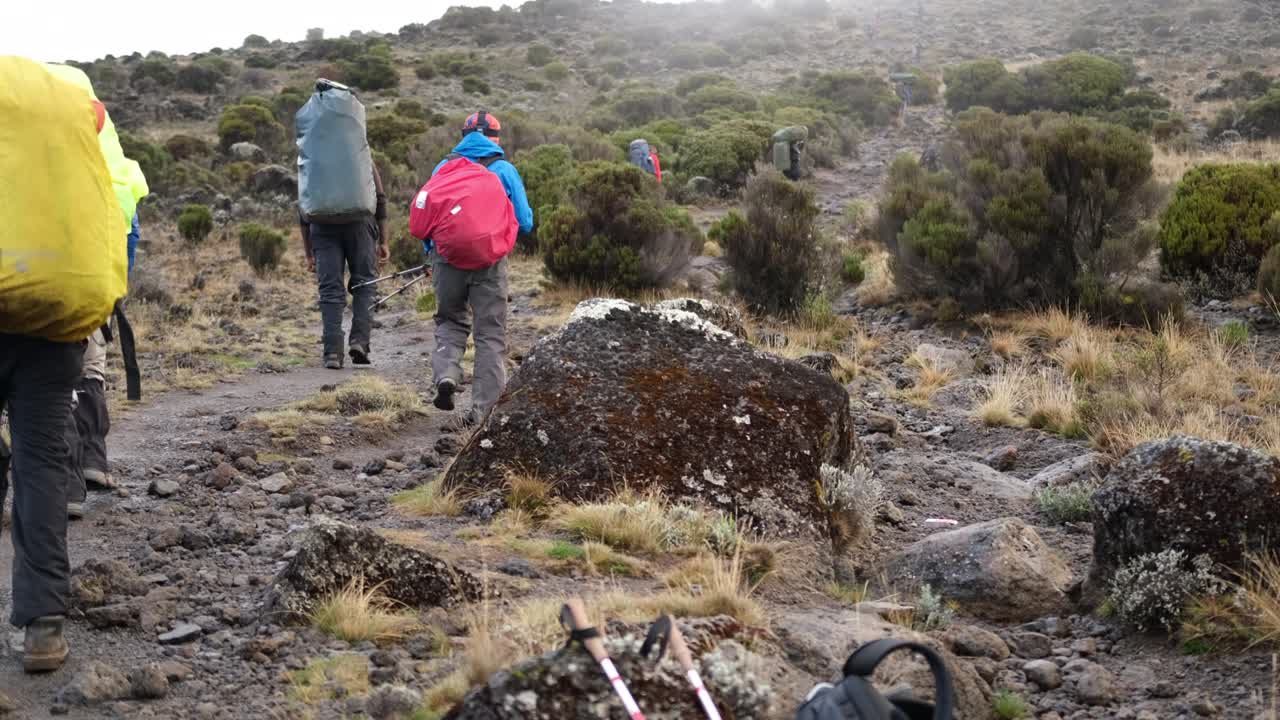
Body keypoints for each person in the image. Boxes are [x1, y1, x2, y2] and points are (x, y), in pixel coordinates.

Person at [1, 56, 130, 674]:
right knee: (43, 462)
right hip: (56, 313)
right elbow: (112, 206)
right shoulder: (75, 112)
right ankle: (44, 627)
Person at [428, 111, 533, 426]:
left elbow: (427, 216)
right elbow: (525, 222)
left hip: (446, 260)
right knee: (489, 332)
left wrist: (432, 252)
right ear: (496, 139)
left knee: (449, 321)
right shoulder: (504, 169)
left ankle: (446, 374)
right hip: (490, 262)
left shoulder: (443, 168)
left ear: (464, 137)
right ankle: (484, 413)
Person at [300, 164, 389, 369]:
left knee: (330, 289)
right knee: (365, 284)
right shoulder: (359, 151)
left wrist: (308, 252)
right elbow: (380, 198)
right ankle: (359, 342)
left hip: (322, 225)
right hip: (361, 224)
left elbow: (303, 204)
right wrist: (383, 240)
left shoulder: (312, 152)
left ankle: (332, 352)